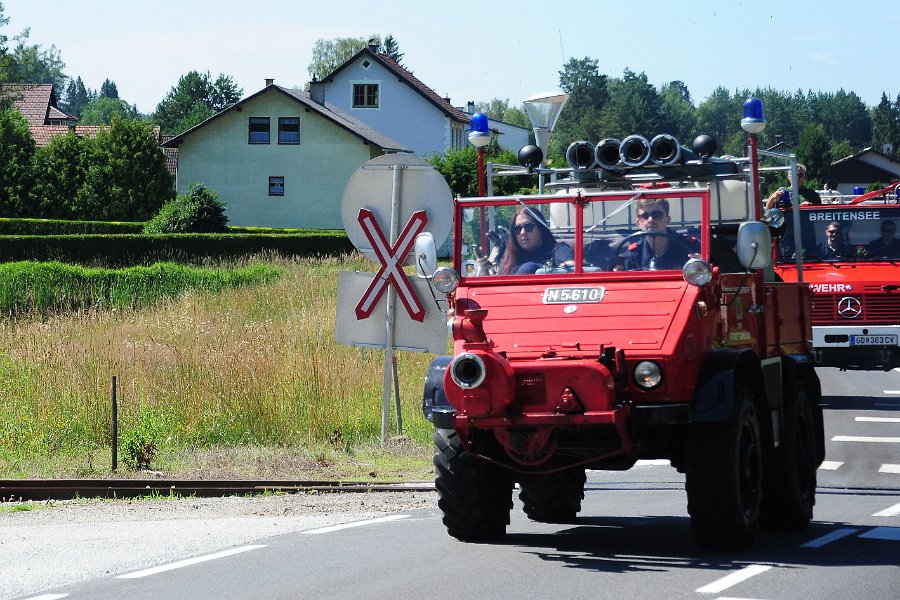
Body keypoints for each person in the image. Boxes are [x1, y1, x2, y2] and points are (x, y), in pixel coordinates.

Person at [477, 206, 570, 275]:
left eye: (529, 227)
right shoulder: (510, 257)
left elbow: (571, 276)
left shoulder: (559, 250)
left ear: (541, 229)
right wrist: (484, 270)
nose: (522, 232)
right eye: (517, 229)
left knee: (529, 267)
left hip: (541, 299)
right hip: (510, 299)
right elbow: (495, 289)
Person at [615, 198, 698, 270]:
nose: (650, 219)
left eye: (657, 215)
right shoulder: (633, 255)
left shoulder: (690, 248)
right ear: (638, 222)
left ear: (667, 220)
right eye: (645, 216)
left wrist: (700, 263)